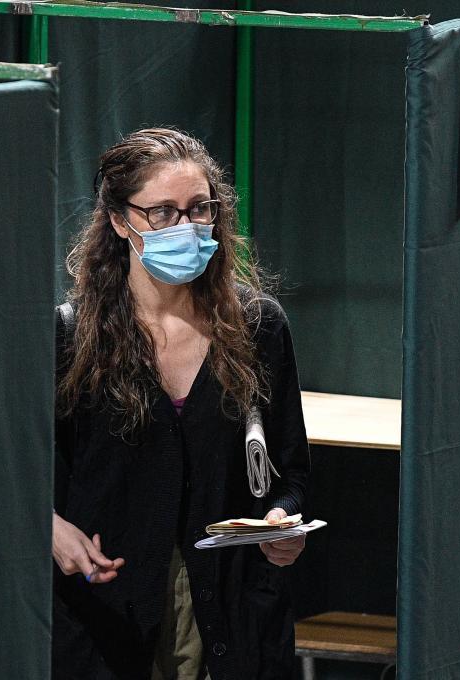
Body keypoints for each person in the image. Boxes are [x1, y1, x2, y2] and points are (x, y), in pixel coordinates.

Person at [51, 128, 311, 680]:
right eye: (163, 213)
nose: (186, 226)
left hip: (229, 617)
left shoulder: (258, 327)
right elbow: (21, 481)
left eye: (199, 209)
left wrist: (282, 522)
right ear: (120, 221)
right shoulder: (71, 336)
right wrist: (51, 530)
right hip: (107, 616)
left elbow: (290, 473)